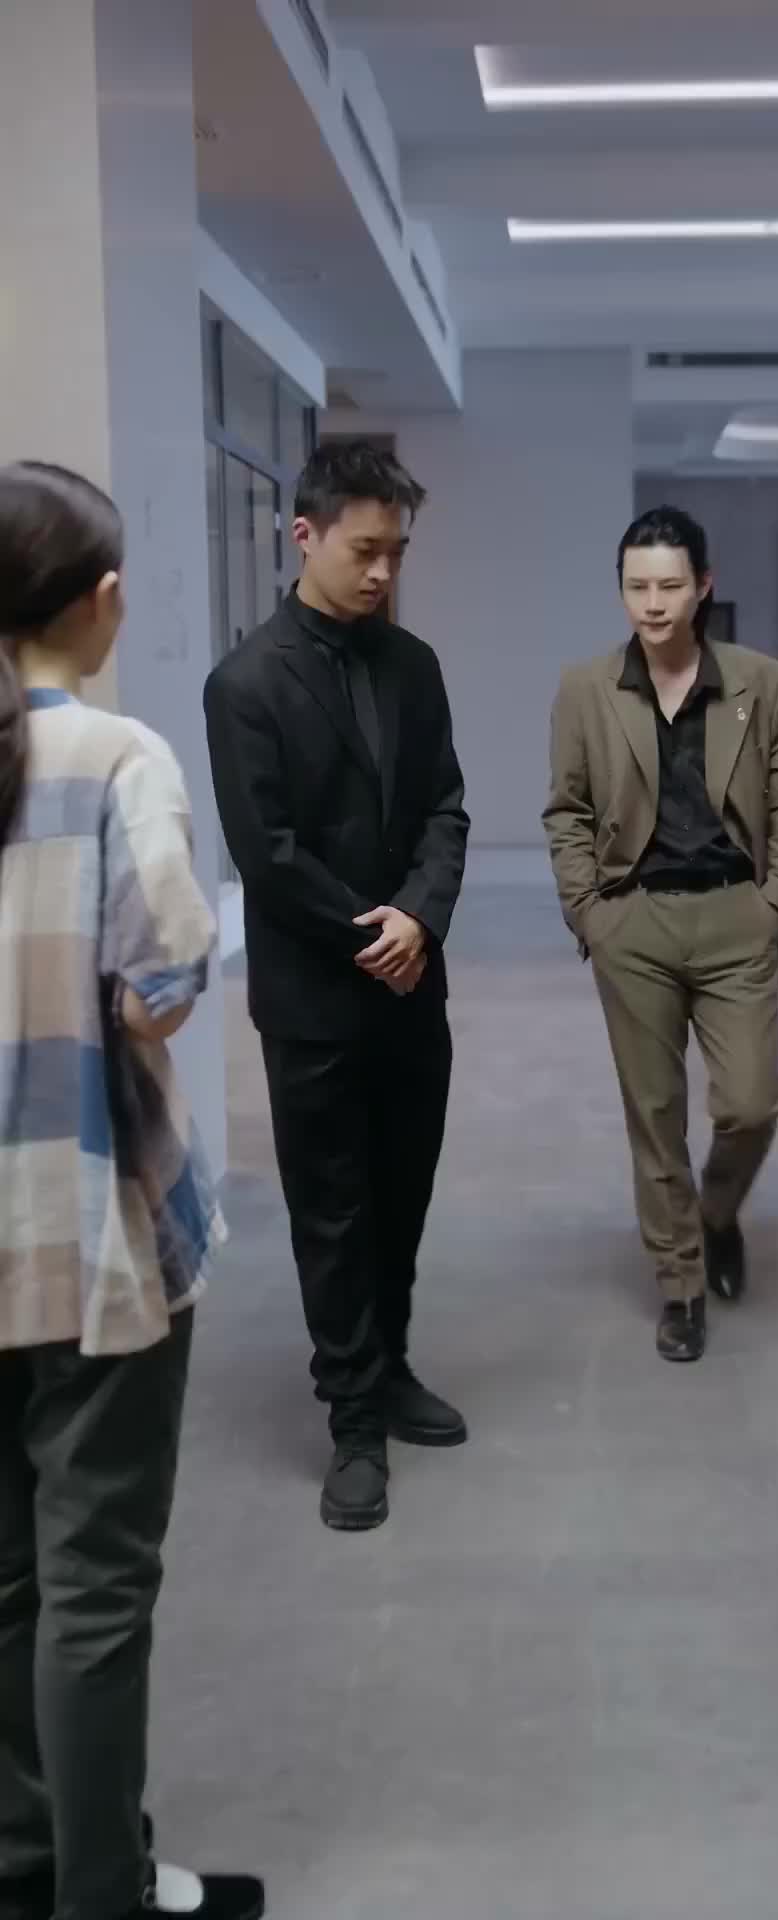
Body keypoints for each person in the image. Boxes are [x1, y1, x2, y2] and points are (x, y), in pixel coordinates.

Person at [0, 463, 263, 1920]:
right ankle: (103, 1895)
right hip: (88, 1237)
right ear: (100, 603)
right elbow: (163, 977)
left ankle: (28, 1864)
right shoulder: (114, 758)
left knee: (4, 1582)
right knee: (93, 1585)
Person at [204, 441, 469, 1533]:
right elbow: (266, 856)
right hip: (315, 999)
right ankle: (353, 1421)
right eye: (364, 550)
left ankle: (389, 1366)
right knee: (332, 1214)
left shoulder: (414, 665)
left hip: (412, 989)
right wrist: (377, 930)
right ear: (303, 535)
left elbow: (446, 807)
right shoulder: (245, 684)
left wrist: (422, 917)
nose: (382, 571)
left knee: (401, 1199)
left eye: (395, 551)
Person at [543, 506, 778, 1362]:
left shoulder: (764, 683)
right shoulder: (586, 688)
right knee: (655, 1114)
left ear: (703, 586)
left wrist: (775, 902)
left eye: (669, 586)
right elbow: (567, 810)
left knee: (751, 1104)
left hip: (736, 913)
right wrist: (590, 913)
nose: (652, 604)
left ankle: (716, 1212)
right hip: (635, 918)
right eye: (636, 587)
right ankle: (680, 1284)